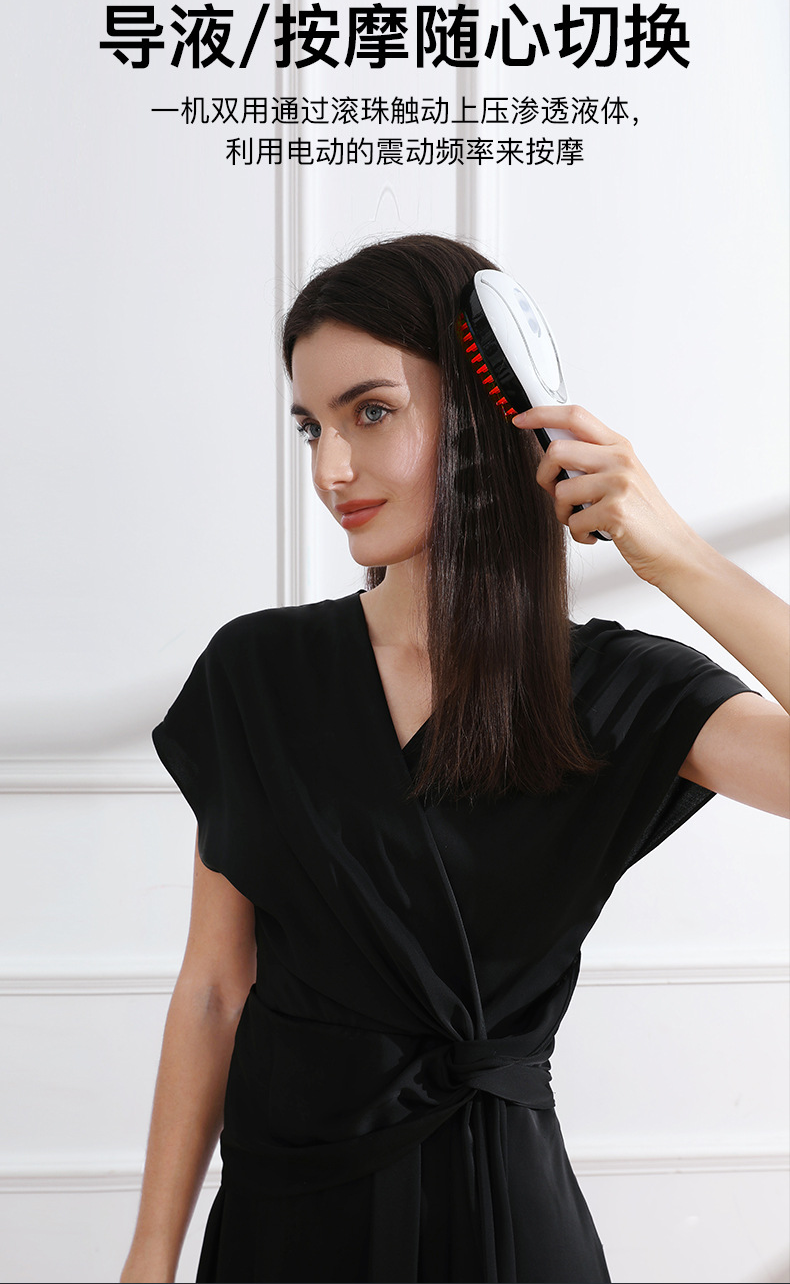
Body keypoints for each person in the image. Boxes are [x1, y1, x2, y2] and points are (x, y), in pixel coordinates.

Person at [120, 233, 789, 1284]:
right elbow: (213, 986)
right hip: (282, 1217)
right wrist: (147, 1259)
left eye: (371, 413)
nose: (330, 469)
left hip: (500, 1220)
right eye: (312, 426)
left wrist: (674, 553)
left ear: (483, 415)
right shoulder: (257, 672)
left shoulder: (611, 692)